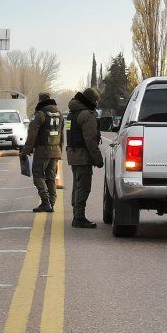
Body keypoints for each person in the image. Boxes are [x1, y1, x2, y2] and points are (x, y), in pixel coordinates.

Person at [66, 87, 103, 228]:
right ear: (91, 100)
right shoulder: (87, 115)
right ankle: (79, 218)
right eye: (95, 101)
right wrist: (98, 160)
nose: (96, 103)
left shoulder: (72, 113)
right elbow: (91, 140)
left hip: (73, 154)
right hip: (83, 156)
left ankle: (77, 214)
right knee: (83, 187)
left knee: (77, 185)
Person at [21, 92, 64, 212]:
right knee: (51, 176)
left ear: (40, 101)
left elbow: (32, 134)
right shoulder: (59, 114)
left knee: (38, 175)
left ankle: (45, 202)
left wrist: (26, 150)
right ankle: (52, 202)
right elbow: (61, 135)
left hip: (42, 150)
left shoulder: (39, 115)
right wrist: (60, 151)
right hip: (55, 150)